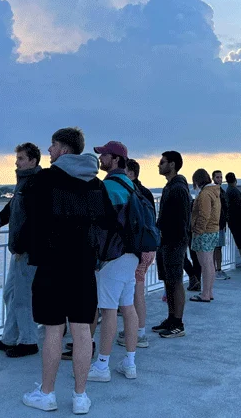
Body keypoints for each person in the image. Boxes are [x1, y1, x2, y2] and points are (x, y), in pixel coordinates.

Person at [21, 127, 112, 415]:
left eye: (52, 146)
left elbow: (30, 222)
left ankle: (47, 394)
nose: (48, 151)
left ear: (63, 149)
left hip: (52, 265)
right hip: (84, 265)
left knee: (53, 331)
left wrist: (31, 250)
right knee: (82, 329)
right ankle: (80, 397)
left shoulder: (44, 180)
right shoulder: (96, 183)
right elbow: (107, 222)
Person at [87, 141, 140, 382]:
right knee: (127, 308)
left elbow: (97, 225)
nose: (101, 159)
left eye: (104, 155)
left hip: (112, 257)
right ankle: (130, 363)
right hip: (131, 255)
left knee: (108, 311)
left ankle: (101, 366)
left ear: (115, 159)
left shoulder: (108, 186)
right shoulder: (130, 184)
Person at [0, 142, 42, 358]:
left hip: (27, 252)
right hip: (19, 250)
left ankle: (29, 341)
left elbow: (35, 221)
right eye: (17, 158)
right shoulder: (23, 183)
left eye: (21, 158)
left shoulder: (35, 184)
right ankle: (10, 337)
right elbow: (11, 211)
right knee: (10, 294)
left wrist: (23, 247)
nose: (17, 162)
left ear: (33, 160)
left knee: (23, 297)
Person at [152, 151, 192, 338]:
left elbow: (181, 219)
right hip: (166, 241)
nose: (159, 165)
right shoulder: (171, 187)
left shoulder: (178, 189)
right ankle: (171, 317)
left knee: (175, 280)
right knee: (168, 280)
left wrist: (170, 236)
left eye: (162, 162)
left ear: (173, 165)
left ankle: (178, 323)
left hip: (174, 241)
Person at [117, 158, 156, 349]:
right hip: (149, 247)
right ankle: (136, 330)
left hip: (138, 250)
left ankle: (139, 333)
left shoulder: (132, 192)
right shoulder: (146, 193)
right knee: (136, 290)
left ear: (131, 173)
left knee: (135, 293)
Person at [189, 169, 220, 302]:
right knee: (210, 263)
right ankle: (209, 292)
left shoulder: (205, 194)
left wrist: (197, 230)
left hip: (205, 232)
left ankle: (205, 294)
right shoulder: (214, 192)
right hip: (213, 230)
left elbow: (204, 214)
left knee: (205, 263)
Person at [212, 170, 231, 280]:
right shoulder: (213, 191)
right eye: (217, 177)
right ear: (213, 178)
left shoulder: (222, 191)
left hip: (221, 223)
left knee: (219, 248)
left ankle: (218, 269)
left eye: (220, 177)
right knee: (215, 248)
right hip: (215, 224)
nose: (219, 179)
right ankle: (215, 270)